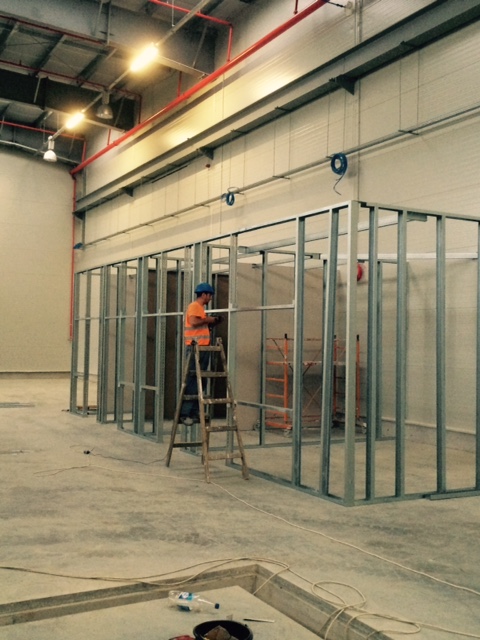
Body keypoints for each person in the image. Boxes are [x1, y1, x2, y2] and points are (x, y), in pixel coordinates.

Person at [180, 282, 222, 425]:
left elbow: (200, 324)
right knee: (193, 380)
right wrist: (210, 319)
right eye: (210, 295)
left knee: (200, 381)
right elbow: (193, 321)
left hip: (202, 348)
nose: (210, 298)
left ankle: (195, 412)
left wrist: (211, 322)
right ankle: (185, 413)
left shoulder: (200, 309)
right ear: (204, 294)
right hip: (195, 348)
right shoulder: (195, 306)